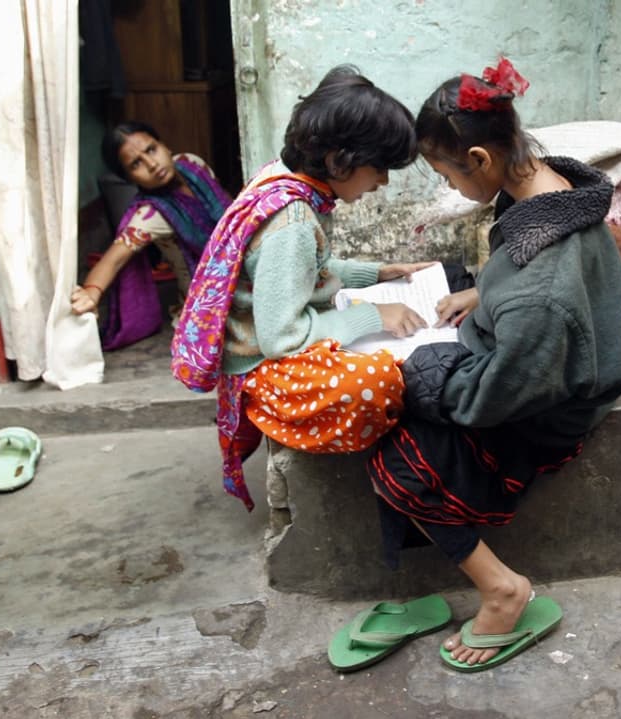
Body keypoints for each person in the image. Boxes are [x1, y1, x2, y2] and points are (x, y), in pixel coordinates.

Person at [365, 58, 621, 671]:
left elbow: (493, 398)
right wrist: (484, 291)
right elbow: (526, 273)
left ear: (482, 159)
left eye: (447, 175)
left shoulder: (543, 291)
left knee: (399, 454)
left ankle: (501, 589)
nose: (451, 189)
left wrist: (416, 375)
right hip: (540, 356)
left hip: (546, 407)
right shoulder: (555, 195)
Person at [171, 66, 434, 510]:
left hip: (266, 342)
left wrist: (377, 273)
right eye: (381, 168)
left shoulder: (283, 179)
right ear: (340, 161)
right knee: (379, 379)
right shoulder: (290, 222)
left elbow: (307, 269)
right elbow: (281, 339)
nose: (383, 182)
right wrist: (374, 316)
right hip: (261, 369)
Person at [71, 122, 232, 350]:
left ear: (164, 146)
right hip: (205, 301)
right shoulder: (150, 215)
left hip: (236, 268)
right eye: (137, 164)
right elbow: (113, 259)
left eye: (151, 150)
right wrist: (91, 292)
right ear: (130, 179)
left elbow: (229, 208)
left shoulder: (192, 164)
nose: (152, 164)